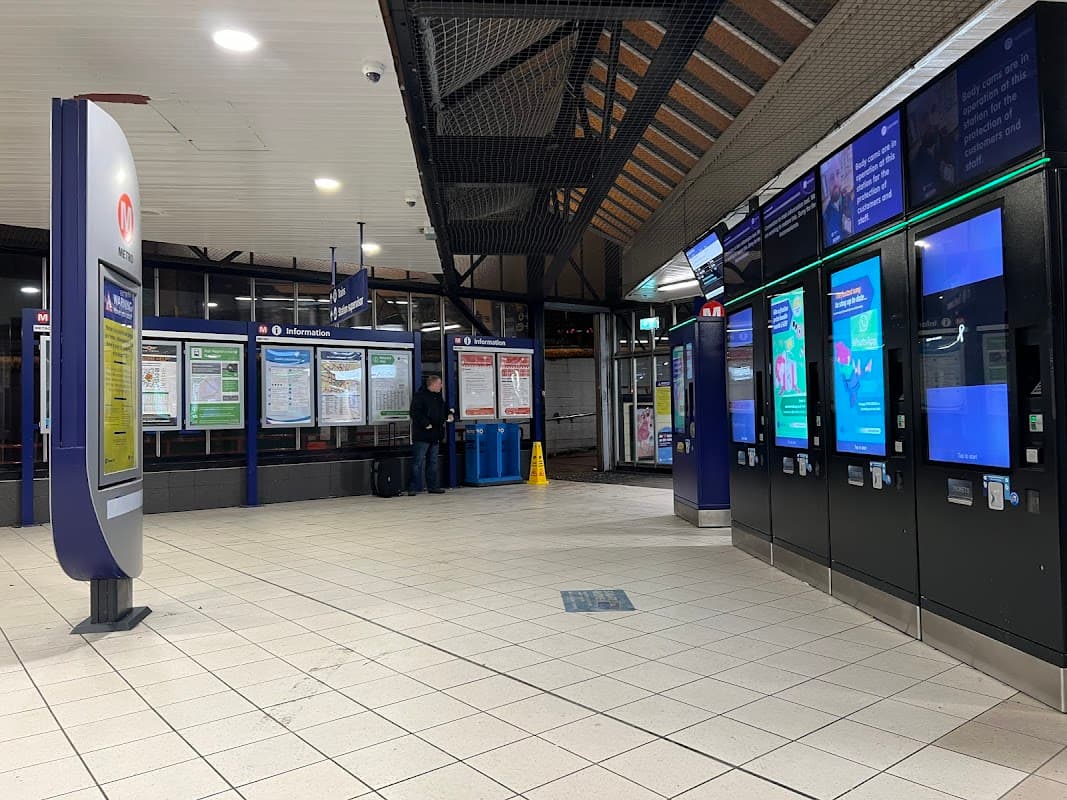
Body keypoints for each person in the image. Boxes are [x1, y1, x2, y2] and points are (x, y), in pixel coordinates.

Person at [408, 375, 453, 496]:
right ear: (433, 384)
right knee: (417, 462)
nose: (441, 386)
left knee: (432, 462)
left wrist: (449, 414)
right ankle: (412, 487)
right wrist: (425, 423)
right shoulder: (420, 396)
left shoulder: (438, 397)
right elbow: (415, 412)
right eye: (440, 384)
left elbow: (443, 410)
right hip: (422, 435)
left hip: (435, 435)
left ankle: (432, 486)